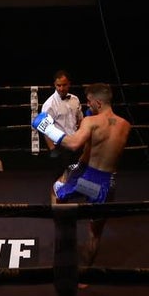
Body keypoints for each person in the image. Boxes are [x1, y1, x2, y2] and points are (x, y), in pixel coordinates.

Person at [31, 82, 130, 269]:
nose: (87, 104)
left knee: (56, 190)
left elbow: (73, 144)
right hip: (106, 185)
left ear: (98, 103)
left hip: (86, 178)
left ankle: (63, 236)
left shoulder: (91, 121)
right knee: (95, 233)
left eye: (90, 101)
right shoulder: (125, 125)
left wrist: (47, 128)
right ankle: (84, 274)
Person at [39, 69, 83, 155]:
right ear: (54, 85)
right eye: (58, 85)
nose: (61, 88)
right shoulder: (49, 104)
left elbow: (80, 119)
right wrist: (52, 149)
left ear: (69, 84)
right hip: (60, 145)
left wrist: (80, 138)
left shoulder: (75, 99)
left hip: (76, 143)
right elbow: (45, 128)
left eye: (64, 85)